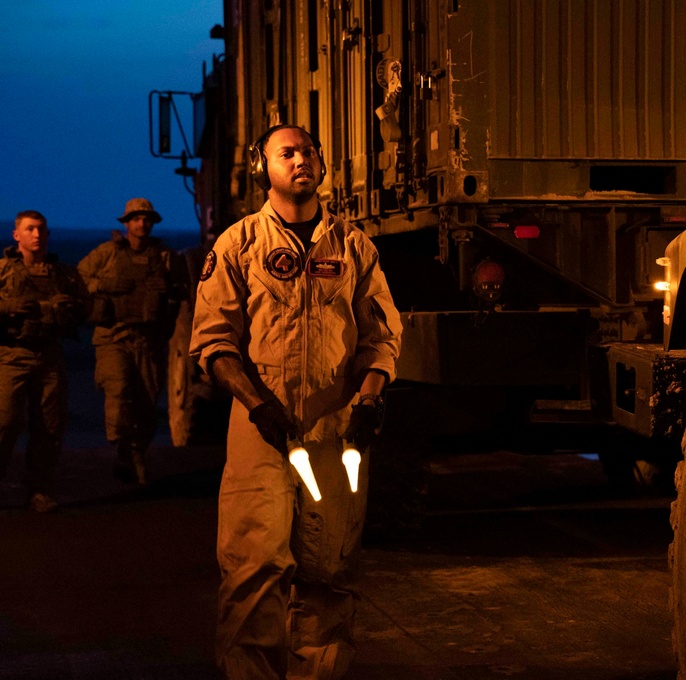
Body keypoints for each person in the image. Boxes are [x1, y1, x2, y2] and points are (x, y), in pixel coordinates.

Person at [189, 124, 402, 679]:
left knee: (330, 573)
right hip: (261, 433)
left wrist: (371, 398)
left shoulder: (354, 248)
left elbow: (379, 337)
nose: (301, 160)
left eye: (309, 152)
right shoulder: (237, 245)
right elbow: (213, 340)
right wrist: (256, 404)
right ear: (263, 166)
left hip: (336, 433)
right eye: (287, 153)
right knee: (252, 573)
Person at [77, 198, 188, 485]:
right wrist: (103, 285)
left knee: (147, 401)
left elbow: (182, 292)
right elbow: (77, 280)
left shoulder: (164, 257)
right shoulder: (107, 253)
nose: (142, 223)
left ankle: (135, 454)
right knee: (118, 387)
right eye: (136, 219)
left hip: (148, 339)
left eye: (146, 218)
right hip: (114, 336)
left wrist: (167, 291)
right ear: (126, 224)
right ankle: (120, 445)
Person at [0, 211, 87, 512]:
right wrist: (9, 306)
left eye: (41, 230)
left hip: (49, 354)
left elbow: (88, 308)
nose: (36, 235)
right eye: (30, 229)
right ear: (16, 235)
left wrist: (69, 307)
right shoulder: (3, 271)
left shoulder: (62, 274)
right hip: (11, 354)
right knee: (5, 422)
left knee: (49, 427)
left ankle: (40, 490)